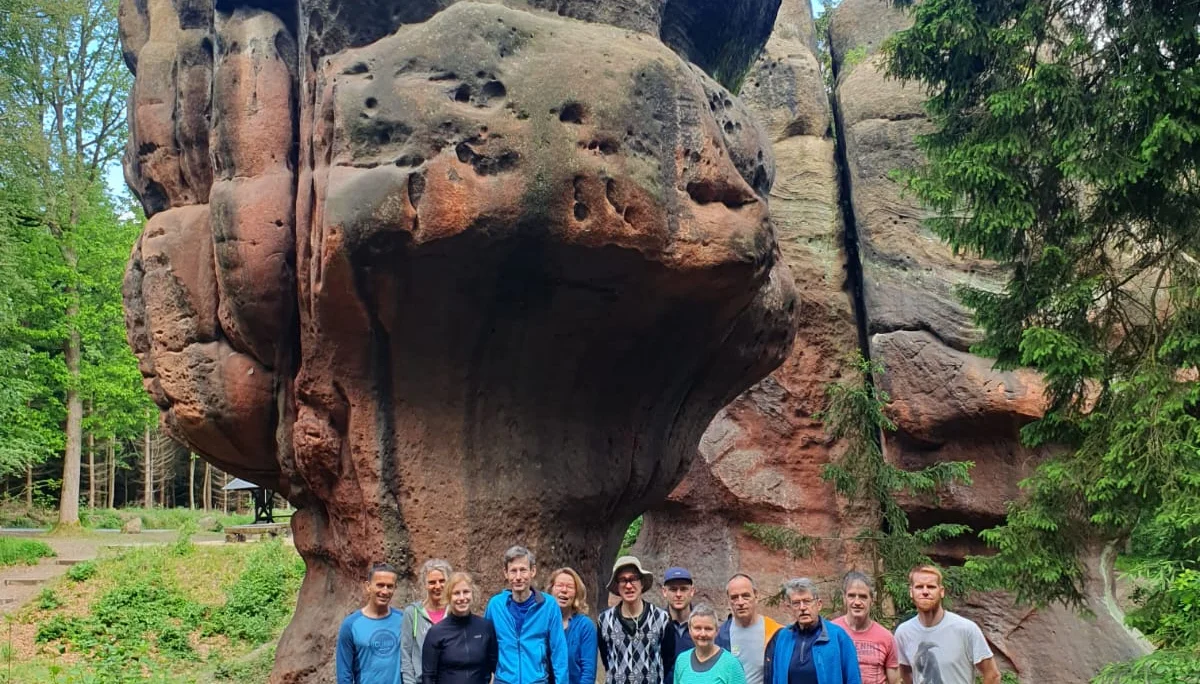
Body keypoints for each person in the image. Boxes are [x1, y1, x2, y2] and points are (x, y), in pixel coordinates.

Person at [893, 566, 999, 684]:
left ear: (941, 591)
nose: (925, 592)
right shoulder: (904, 632)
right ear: (911, 592)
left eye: (931, 587)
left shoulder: (966, 629)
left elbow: (992, 675)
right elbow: (904, 672)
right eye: (919, 587)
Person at [484, 546, 569, 684]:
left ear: (533, 571)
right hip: (504, 680)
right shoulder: (495, 606)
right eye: (513, 571)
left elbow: (559, 651)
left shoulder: (548, 605)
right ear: (505, 573)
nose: (518, 577)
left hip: (537, 680)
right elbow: (486, 647)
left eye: (523, 570)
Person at [763, 578, 861, 684]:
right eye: (796, 603)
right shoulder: (782, 637)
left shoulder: (837, 636)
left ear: (819, 604)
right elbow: (775, 678)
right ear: (790, 608)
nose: (802, 608)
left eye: (807, 601)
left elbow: (853, 678)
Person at [597, 555, 670, 684]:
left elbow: (668, 659)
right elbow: (606, 658)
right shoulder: (604, 620)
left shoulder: (661, 618)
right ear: (617, 586)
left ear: (641, 583)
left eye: (633, 579)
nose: (629, 585)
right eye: (623, 580)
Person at [421, 572, 498, 684]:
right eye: (456, 593)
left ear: (472, 594)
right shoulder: (436, 632)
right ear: (448, 596)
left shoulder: (485, 627)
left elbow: (494, 666)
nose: (462, 598)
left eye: (466, 592)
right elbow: (428, 677)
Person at [337, 562, 405, 684]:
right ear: (368, 586)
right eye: (380, 585)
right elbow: (344, 673)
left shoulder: (403, 620)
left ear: (395, 588)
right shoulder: (351, 625)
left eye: (390, 586)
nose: (384, 591)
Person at [831, 572, 898, 684]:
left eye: (863, 597)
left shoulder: (886, 637)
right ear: (844, 598)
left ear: (872, 599)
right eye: (851, 596)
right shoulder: (831, 632)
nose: (857, 602)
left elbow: (895, 681)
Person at [716, 574, 782, 684]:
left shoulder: (775, 632)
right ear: (728, 601)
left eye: (745, 596)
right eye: (734, 597)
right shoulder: (719, 636)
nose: (740, 602)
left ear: (756, 596)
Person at [403, 559, 454, 684]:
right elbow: (406, 654)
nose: (437, 586)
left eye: (442, 581)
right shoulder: (412, 613)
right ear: (424, 584)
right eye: (432, 582)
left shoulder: (455, 612)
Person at [671, 603, 746, 684]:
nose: (703, 634)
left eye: (708, 629)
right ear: (690, 630)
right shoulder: (681, 660)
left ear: (717, 631)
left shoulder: (731, 664)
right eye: (697, 628)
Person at [550, 567, 599, 684]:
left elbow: (588, 673)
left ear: (577, 593)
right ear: (551, 590)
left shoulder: (585, 626)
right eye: (559, 585)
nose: (564, 590)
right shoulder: (541, 623)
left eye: (570, 587)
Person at [661, 567, 698, 684]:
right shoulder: (656, 625)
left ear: (692, 591)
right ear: (664, 592)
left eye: (683, 589)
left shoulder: (702, 627)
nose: (678, 594)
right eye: (673, 589)